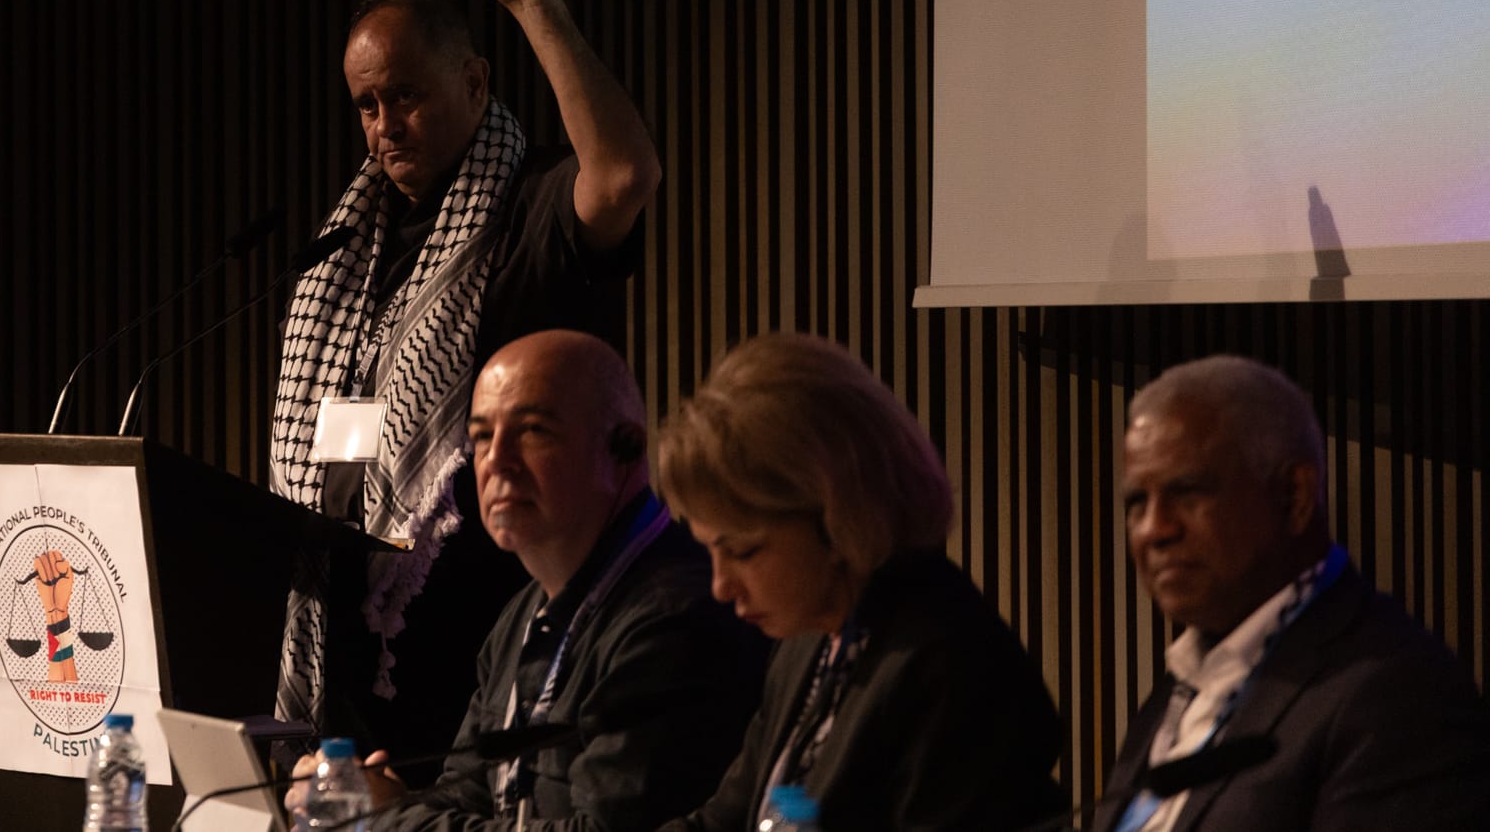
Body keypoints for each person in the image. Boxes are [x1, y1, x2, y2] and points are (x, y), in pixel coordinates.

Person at [269, 0, 663, 756]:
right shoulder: (345, 250)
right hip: (342, 666)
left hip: (479, 667)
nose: (384, 127)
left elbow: (628, 174)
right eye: (366, 106)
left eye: (404, 95)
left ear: (476, 81)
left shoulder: (530, 209)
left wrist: (536, 6)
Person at [288, 331, 767, 829]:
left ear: (624, 448)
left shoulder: (678, 617)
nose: (496, 459)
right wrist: (376, 805)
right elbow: (467, 795)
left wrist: (389, 817)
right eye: (480, 436)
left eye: (533, 430)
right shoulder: (523, 611)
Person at [654, 332, 1064, 831]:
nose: (720, 586)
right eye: (710, 551)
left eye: (743, 550)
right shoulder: (810, 642)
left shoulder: (957, 673)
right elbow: (731, 820)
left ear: (839, 516)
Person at [1092, 354, 1489, 831]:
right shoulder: (1184, 681)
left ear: (1294, 497)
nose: (1155, 528)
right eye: (1137, 502)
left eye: (1189, 492)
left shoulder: (1397, 693)